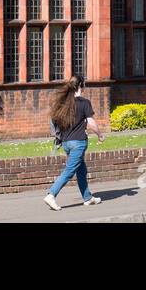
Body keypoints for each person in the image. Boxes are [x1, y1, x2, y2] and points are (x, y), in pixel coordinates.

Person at [43, 74, 105, 211]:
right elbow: (91, 123)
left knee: (81, 170)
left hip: (66, 143)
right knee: (70, 171)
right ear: (80, 86)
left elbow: (55, 122)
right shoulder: (84, 103)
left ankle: (88, 197)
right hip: (78, 143)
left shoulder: (64, 104)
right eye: (84, 84)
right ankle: (51, 194)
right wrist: (100, 134)